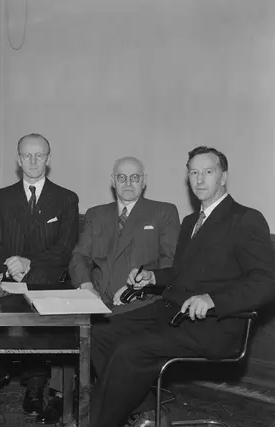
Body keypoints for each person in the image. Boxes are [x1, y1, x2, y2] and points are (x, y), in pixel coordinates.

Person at [90, 146, 275, 427]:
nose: (199, 179)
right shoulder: (191, 222)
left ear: (223, 177)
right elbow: (182, 274)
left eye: (208, 172)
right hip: (172, 312)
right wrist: (153, 277)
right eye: (194, 173)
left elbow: (266, 281)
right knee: (99, 333)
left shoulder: (245, 219)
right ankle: (142, 409)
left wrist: (214, 300)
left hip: (213, 325)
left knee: (130, 349)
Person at [36, 156, 181, 424]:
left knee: (95, 335)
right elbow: (79, 257)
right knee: (62, 327)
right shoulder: (97, 214)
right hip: (98, 298)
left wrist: (138, 284)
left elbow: (170, 263)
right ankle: (64, 397)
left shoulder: (163, 212)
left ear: (144, 181)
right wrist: (86, 286)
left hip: (142, 301)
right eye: (122, 177)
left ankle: (139, 408)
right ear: (113, 181)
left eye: (135, 178)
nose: (128, 183)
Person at [0, 133, 80, 417]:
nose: (33, 161)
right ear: (18, 160)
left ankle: (38, 384)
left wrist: (29, 264)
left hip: (49, 277)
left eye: (39, 155)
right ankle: (31, 383)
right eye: (27, 155)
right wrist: (11, 267)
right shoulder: (1, 198)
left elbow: (66, 248)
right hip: (8, 277)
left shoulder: (66, 198)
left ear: (48, 159)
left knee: (40, 302)